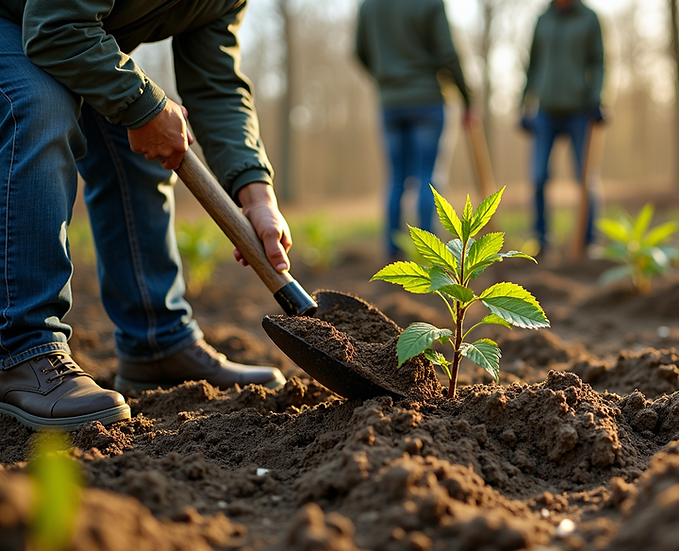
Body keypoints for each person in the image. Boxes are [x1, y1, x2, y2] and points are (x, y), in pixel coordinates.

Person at [0, 0, 292, 430]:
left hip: (67, 30)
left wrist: (256, 191)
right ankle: (21, 350)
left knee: (135, 142)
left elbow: (215, 84)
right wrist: (143, 105)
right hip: (29, 21)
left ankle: (157, 341)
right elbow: (54, 27)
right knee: (38, 105)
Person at [355, 0, 471, 261]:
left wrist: (388, 78)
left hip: (391, 103)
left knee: (397, 180)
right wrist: (467, 96)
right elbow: (447, 52)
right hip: (427, 99)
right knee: (428, 178)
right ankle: (430, 254)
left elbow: (359, 51)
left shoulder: (369, 5)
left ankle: (392, 252)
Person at [520, 0, 605, 256]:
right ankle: (541, 239)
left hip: (579, 110)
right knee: (538, 176)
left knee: (585, 177)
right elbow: (532, 65)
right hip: (545, 112)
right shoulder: (543, 19)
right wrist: (524, 103)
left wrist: (596, 99)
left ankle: (589, 241)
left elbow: (599, 62)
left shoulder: (589, 18)